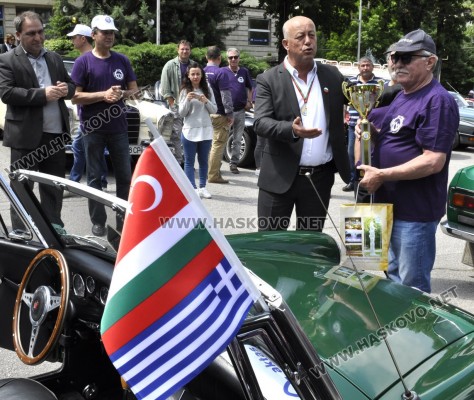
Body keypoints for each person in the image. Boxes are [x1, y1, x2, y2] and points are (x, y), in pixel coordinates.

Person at [358, 29, 460, 293]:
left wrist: (382, 175)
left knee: (411, 289)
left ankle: (413, 323)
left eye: (406, 58)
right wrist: (371, 134)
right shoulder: (402, 95)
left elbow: (433, 161)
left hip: (414, 214)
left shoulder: (437, 100)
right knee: (392, 280)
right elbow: (398, 141)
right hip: (388, 207)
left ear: (430, 62)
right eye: (394, 57)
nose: (397, 64)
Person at [254, 16, 350, 232]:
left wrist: (402, 87)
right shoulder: (269, 79)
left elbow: (361, 97)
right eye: (300, 37)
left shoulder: (332, 75)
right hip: (278, 178)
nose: (308, 41)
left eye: (312, 35)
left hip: (319, 180)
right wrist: (291, 129)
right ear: (286, 44)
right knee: (270, 244)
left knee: (309, 244)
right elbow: (260, 122)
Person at [0, 11, 75, 230]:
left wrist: (66, 89)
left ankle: (54, 231)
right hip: (25, 138)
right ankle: (22, 234)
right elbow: (7, 93)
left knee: (53, 187)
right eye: (31, 33)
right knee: (22, 189)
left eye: (40, 32)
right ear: (18, 35)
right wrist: (43, 94)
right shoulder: (7, 60)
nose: (38, 37)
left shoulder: (54, 58)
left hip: (55, 136)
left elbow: (72, 86)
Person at [71, 15, 138, 237]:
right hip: (92, 128)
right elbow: (75, 97)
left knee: (125, 177)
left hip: (118, 128)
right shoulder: (83, 62)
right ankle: (98, 221)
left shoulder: (122, 60)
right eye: (105, 32)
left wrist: (122, 93)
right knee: (94, 177)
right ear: (93, 34)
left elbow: (134, 90)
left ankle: (123, 220)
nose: (109, 36)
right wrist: (103, 95)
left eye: (112, 33)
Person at [66, 24, 108, 192]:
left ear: (83, 39)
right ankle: (101, 180)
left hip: (94, 116)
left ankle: (74, 182)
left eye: (74, 37)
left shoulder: (91, 60)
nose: (72, 40)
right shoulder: (83, 59)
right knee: (92, 148)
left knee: (81, 146)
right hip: (88, 116)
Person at [343, 56, 382, 192]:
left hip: (372, 125)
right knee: (351, 154)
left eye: (368, 65)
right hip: (353, 124)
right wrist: (344, 117)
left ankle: (370, 177)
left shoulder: (380, 83)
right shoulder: (351, 82)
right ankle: (353, 180)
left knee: (371, 153)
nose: (365, 68)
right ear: (358, 67)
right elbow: (345, 102)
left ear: (372, 67)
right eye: (362, 65)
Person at [178, 62, 217, 198]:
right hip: (189, 131)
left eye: (198, 74)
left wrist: (206, 101)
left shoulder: (208, 89)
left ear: (202, 75)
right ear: (188, 76)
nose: (195, 77)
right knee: (189, 161)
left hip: (205, 130)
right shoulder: (184, 91)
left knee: (203, 161)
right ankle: (192, 188)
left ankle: (203, 187)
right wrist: (187, 100)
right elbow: (181, 113)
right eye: (193, 74)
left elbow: (214, 110)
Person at [160, 40, 194, 167]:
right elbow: (165, 88)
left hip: (192, 106)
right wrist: (172, 103)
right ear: (178, 50)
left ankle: (189, 162)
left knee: (191, 134)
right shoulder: (169, 65)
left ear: (190, 50)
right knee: (176, 135)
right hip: (176, 106)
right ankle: (178, 162)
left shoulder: (194, 65)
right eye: (182, 49)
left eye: (187, 49)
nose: (185, 51)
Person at [204, 46, 234, 184]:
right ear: (219, 58)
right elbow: (225, 95)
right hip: (219, 113)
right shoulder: (221, 73)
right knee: (218, 144)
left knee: (208, 144)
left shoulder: (201, 71)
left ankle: (207, 171)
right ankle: (213, 175)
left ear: (206, 57)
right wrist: (230, 113)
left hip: (204, 113)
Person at [226, 48, 253, 174]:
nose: (233, 59)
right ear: (227, 59)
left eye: (235, 57)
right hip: (226, 112)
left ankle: (234, 163)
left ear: (239, 58)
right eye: (230, 57)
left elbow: (250, 87)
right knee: (222, 138)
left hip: (240, 111)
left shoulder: (244, 71)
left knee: (237, 139)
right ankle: (216, 165)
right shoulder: (223, 72)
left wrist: (249, 101)